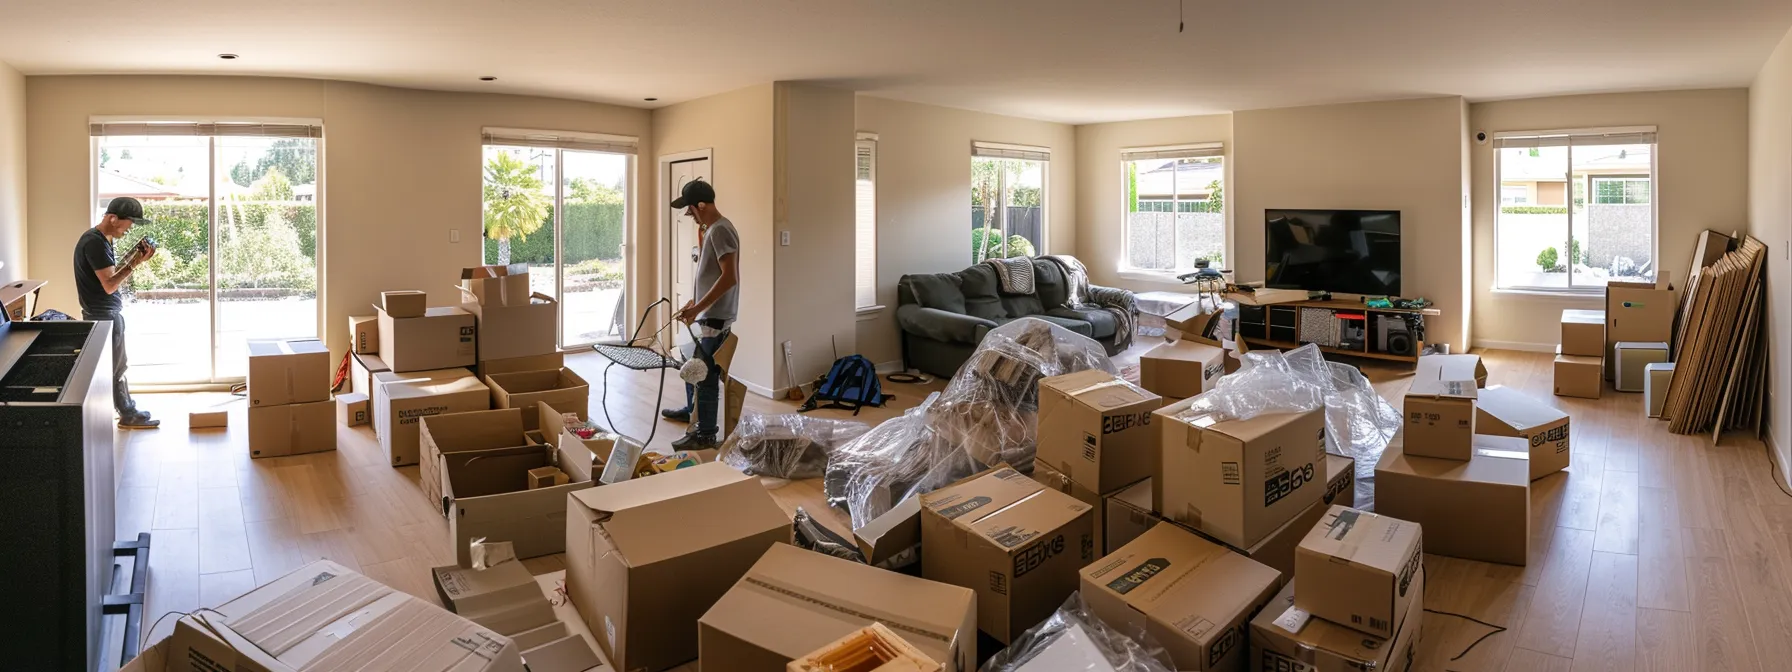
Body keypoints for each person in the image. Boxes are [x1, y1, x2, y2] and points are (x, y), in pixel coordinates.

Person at [660, 180, 737, 449]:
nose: (689, 214)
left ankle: (705, 435)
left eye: (690, 209)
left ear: (701, 205)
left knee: (705, 376)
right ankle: (691, 411)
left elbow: (729, 278)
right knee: (692, 365)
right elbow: (711, 276)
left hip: (716, 317)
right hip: (707, 312)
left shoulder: (721, 231)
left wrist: (699, 307)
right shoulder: (710, 230)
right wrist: (694, 303)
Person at [76, 197, 160, 429]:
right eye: (129, 222)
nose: (130, 227)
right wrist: (134, 264)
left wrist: (134, 258)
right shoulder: (95, 242)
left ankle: (126, 411)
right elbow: (110, 285)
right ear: (113, 218)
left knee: (114, 365)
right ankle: (127, 413)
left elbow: (108, 274)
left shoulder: (98, 240)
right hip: (103, 314)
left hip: (101, 312)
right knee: (116, 367)